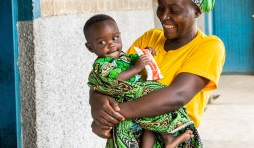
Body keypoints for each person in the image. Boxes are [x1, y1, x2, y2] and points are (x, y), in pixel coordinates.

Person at [89, 0, 226, 147]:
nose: (163, 15)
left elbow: (177, 95)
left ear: (197, 11)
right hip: (129, 136)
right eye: (160, 6)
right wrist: (97, 105)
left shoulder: (209, 46)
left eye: (174, 10)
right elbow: (111, 75)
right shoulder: (150, 38)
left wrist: (114, 114)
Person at [84, 14, 199, 148]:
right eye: (102, 42)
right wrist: (136, 68)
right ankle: (168, 139)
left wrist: (146, 53)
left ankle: (168, 140)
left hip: (135, 104)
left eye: (115, 38)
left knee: (151, 122)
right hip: (126, 99)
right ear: (90, 47)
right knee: (151, 114)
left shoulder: (122, 57)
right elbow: (115, 80)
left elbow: (134, 58)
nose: (111, 44)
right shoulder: (102, 64)